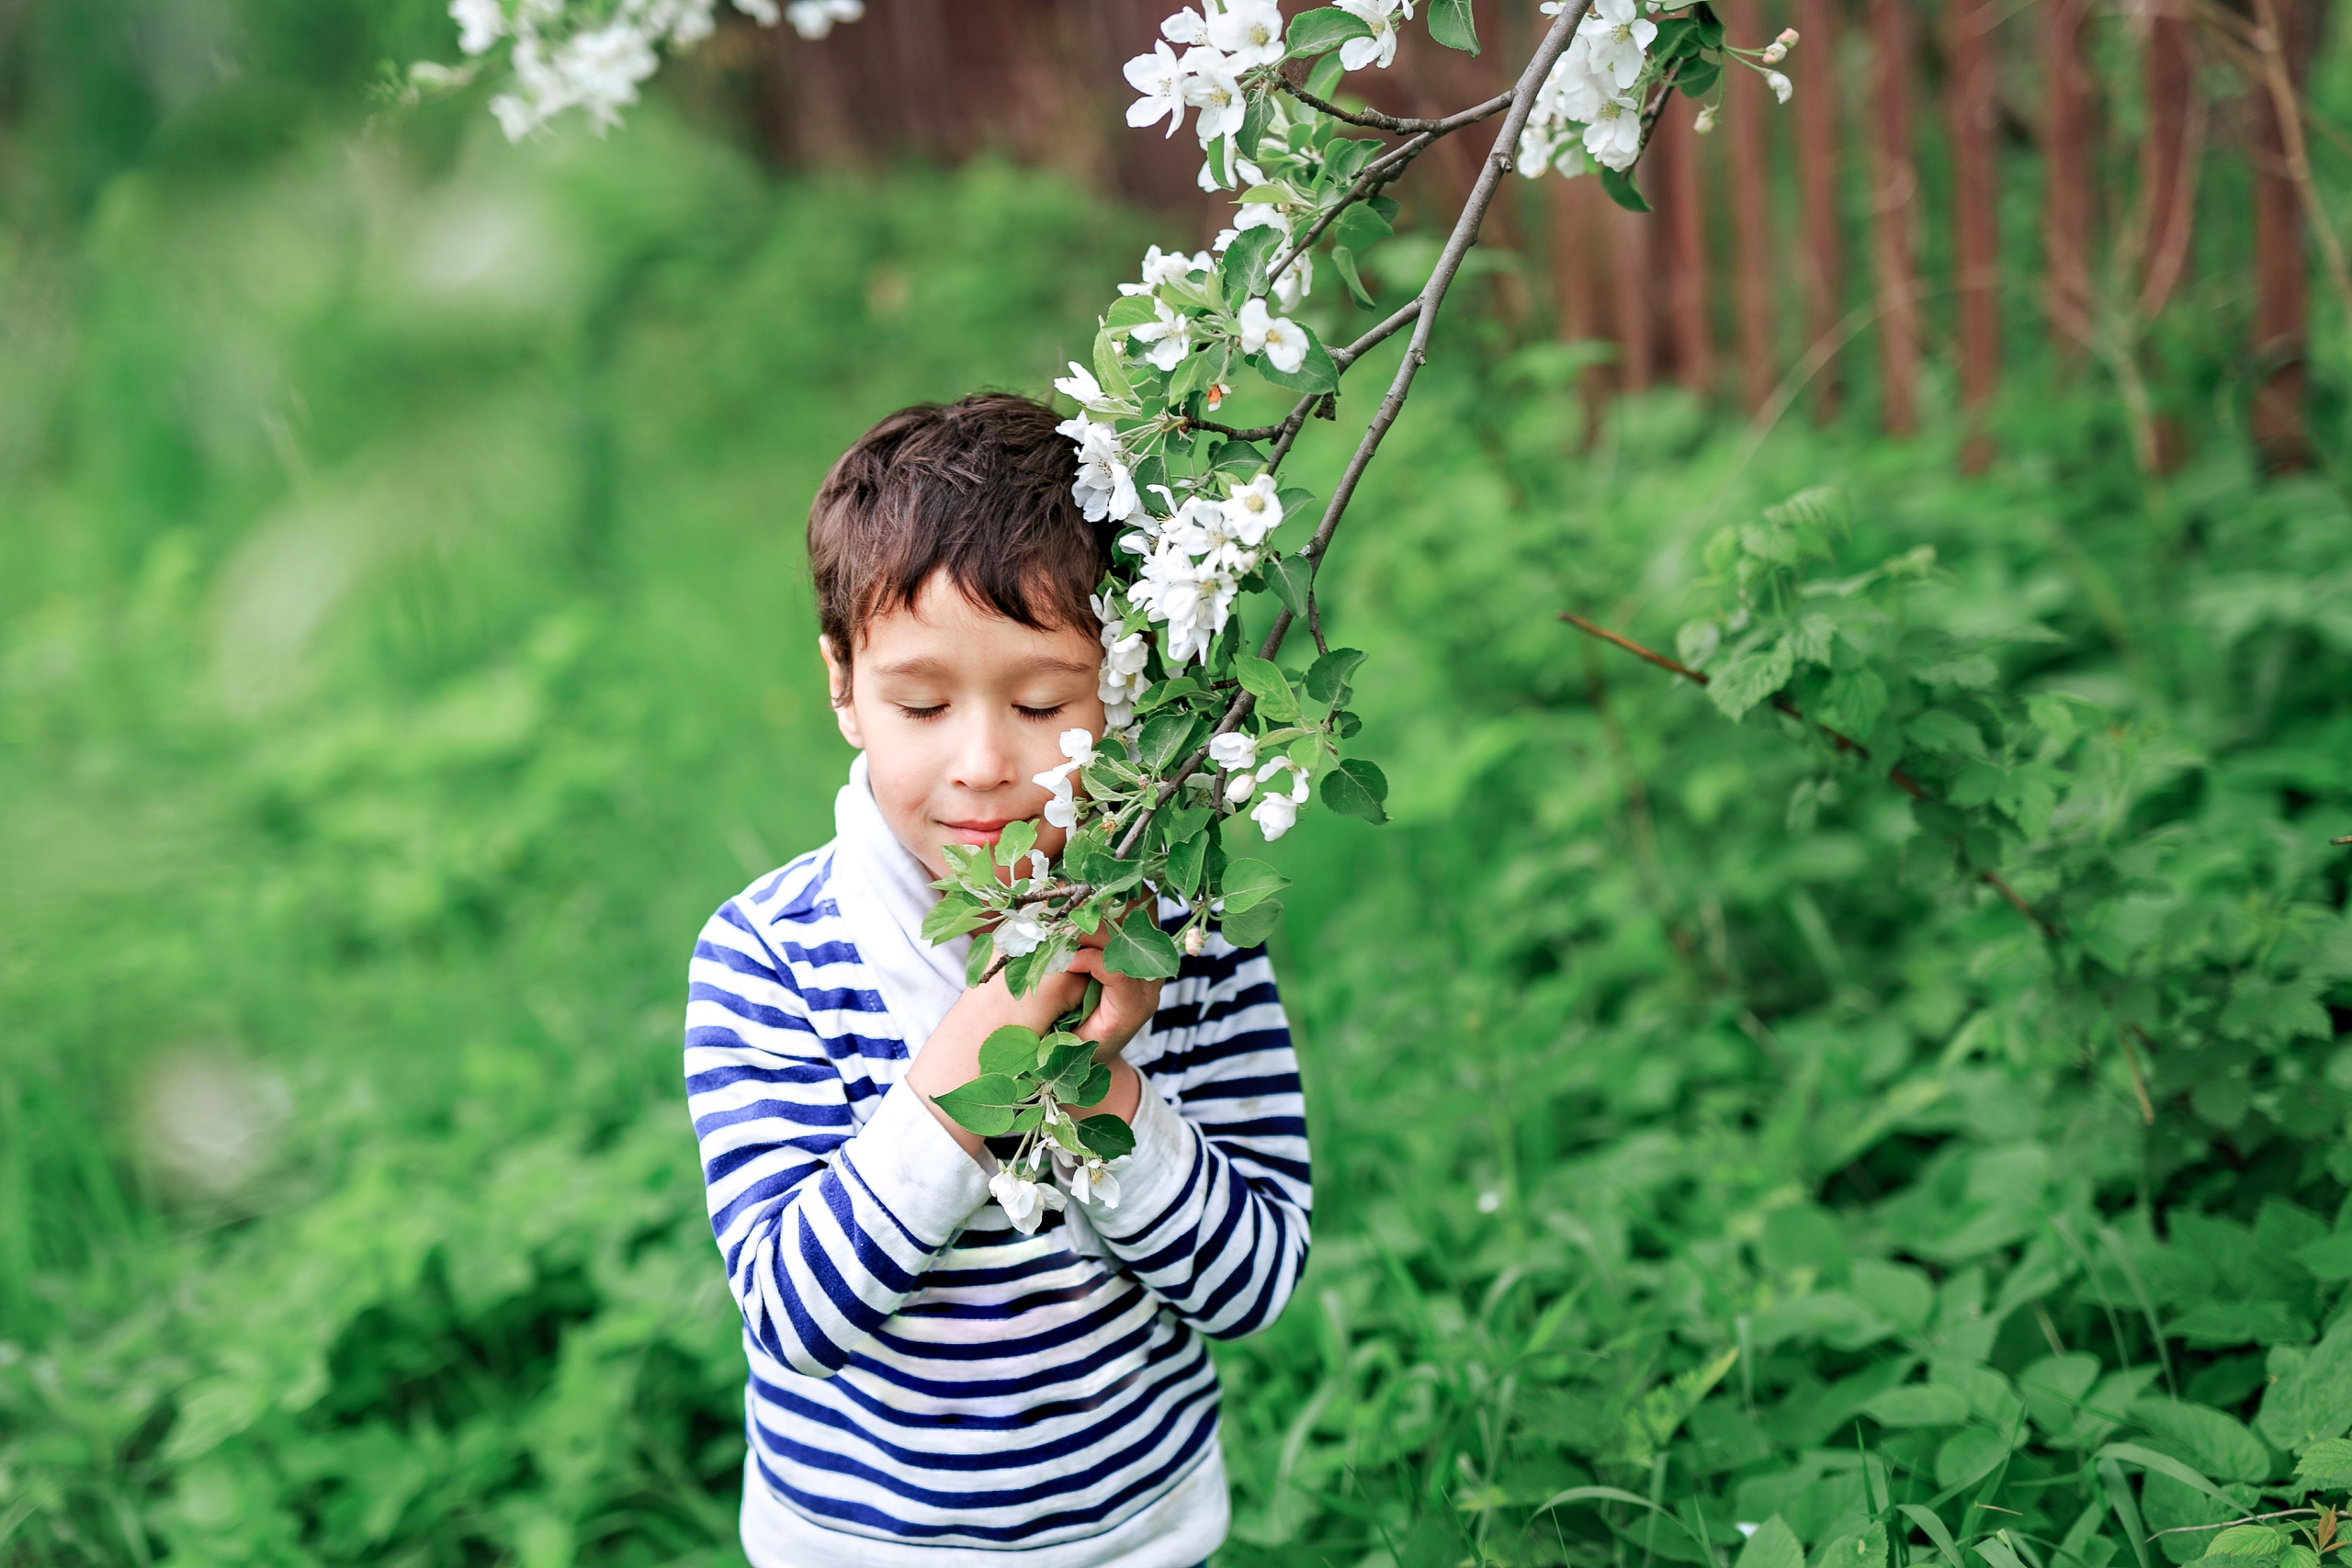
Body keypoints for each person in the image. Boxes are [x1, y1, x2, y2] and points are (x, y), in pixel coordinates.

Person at [683, 393, 1311, 1567]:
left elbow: (1257, 1284)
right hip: (863, 1547)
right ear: (842, 687)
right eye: (920, 704)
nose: (983, 765)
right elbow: (792, 1314)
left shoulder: (1192, 939)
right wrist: (981, 1058)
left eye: (1040, 704)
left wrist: (1102, 1092)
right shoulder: (769, 956)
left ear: (1121, 685)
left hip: (1139, 1537)